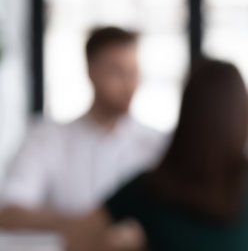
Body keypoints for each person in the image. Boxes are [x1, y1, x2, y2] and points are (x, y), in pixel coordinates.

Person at [67, 59, 248, 251]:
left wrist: (144, 246)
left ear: (185, 112)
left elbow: (76, 240)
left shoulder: (149, 186)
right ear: (245, 113)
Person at [0, 26, 165, 230]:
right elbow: (9, 211)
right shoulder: (47, 138)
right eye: (117, 72)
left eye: (133, 72)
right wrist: (86, 227)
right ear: (91, 71)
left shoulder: (159, 145)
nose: (129, 84)